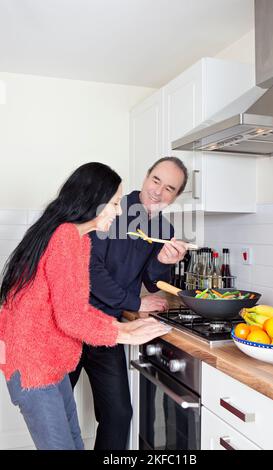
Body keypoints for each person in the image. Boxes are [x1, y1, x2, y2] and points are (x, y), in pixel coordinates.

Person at [0, 162, 170, 450]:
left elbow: (75, 306)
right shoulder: (65, 237)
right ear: (94, 200)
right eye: (115, 204)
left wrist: (119, 326)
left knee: (75, 443)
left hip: (49, 362)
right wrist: (125, 334)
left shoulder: (76, 239)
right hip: (33, 367)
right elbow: (71, 318)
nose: (119, 212)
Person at [70, 156, 189, 450]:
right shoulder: (112, 208)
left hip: (109, 327)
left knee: (119, 414)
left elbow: (151, 280)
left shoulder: (164, 230)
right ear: (146, 176)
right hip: (71, 322)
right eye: (156, 180)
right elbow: (90, 267)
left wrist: (163, 261)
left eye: (169, 188)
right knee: (57, 410)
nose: (158, 192)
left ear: (175, 197)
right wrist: (135, 302)